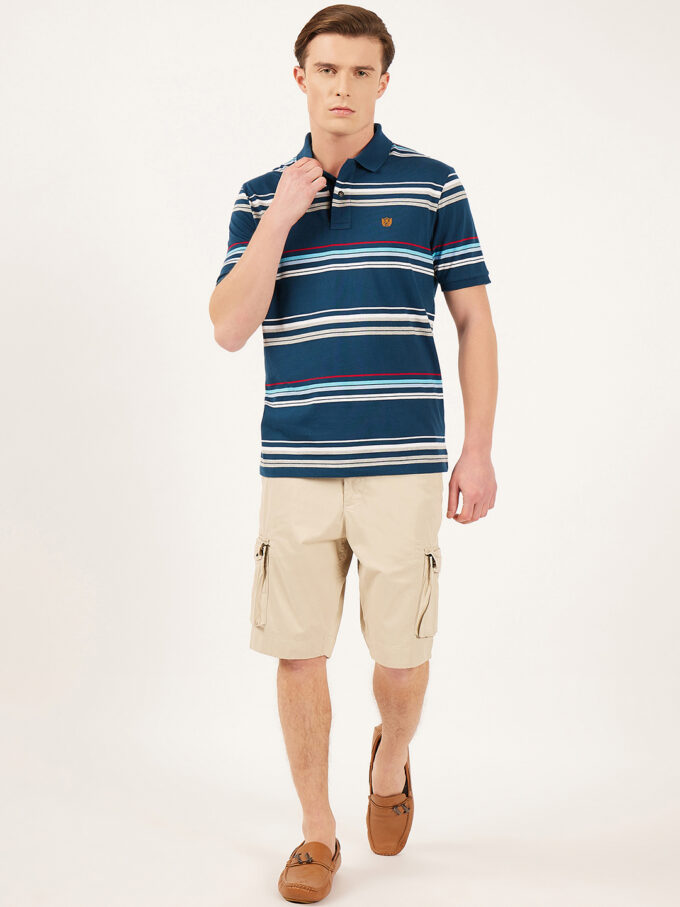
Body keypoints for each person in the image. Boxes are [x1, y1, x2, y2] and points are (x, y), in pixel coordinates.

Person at [208, 4, 498, 901]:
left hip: (404, 464)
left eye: (360, 72)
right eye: (327, 70)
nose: (342, 87)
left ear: (382, 82)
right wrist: (280, 218)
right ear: (301, 78)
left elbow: (474, 322)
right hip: (294, 464)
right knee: (299, 652)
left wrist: (478, 449)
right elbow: (228, 328)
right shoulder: (259, 195)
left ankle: (392, 759)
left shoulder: (432, 185)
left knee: (401, 657)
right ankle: (316, 831)